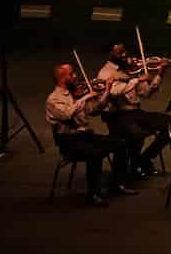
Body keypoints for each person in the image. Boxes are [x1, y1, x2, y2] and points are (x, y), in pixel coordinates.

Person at [45, 64, 135, 206]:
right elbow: (66, 114)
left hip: (86, 136)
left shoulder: (77, 93)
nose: (76, 76)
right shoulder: (53, 99)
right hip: (69, 141)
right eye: (72, 74)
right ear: (62, 78)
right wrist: (85, 97)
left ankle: (116, 184)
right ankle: (93, 194)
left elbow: (95, 109)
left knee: (121, 143)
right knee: (96, 154)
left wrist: (107, 90)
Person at [96, 43, 170, 177]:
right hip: (118, 116)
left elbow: (146, 93)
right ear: (110, 55)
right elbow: (114, 92)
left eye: (125, 51)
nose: (125, 55)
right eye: (120, 53)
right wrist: (135, 80)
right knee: (137, 134)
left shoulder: (131, 69)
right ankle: (133, 166)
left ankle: (144, 159)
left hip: (136, 113)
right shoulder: (105, 73)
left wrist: (160, 73)